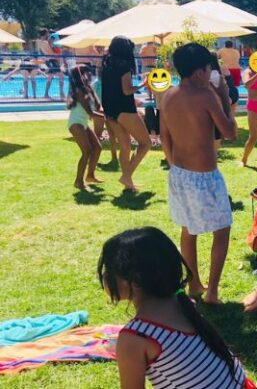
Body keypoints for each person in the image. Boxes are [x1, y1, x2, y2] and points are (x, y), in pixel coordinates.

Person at [98, 227, 253, 388]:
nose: (104, 276)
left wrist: (126, 349)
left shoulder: (135, 339)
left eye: (108, 269)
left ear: (134, 280)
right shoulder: (181, 303)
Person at [159, 43, 237, 305]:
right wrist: (224, 95)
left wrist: (174, 165)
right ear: (199, 72)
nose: (210, 73)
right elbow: (229, 132)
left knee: (188, 229)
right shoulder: (206, 97)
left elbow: (164, 136)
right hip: (204, 175)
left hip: (179, 173)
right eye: (208, 69)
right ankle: (212, 291)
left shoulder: (168, 95)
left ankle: (194, 283)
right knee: (222, 228)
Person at [101, 36, 151, 192]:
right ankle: (126, 175)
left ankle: (128, 182)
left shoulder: (106, 64)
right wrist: (143, 84)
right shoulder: (124, 66)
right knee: (146, 143)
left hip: (110, 110)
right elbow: (127, 90)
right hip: (124, 109)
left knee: (125, 146)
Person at [66, 65, 105, 191]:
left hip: (83, 123)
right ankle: (78, 181)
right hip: (76, 123)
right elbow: (91, 114)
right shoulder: (78, 91)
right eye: (87, 73)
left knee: (97, 148)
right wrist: (109, 117)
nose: (90, 75)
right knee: (87, 151)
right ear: (81, 76)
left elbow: (98, 107)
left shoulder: (88, 89)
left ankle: (90, 176)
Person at [37, 29, 65, 99]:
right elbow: (51, 53)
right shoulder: (46, 43)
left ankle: (46, 94)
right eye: (47, 34)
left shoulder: (39, 42)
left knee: (50, 77)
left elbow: (47, 52)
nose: (48, 35)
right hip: (52, 60)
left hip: (49, 60)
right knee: (61, 76)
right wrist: (59, 52)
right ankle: (61, 94)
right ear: (45, 34)